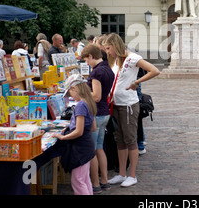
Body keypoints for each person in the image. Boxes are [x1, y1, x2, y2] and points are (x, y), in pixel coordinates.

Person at [102, 33, 160, 187]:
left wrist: (136, 82)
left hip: (128, 104)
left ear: (115, 45)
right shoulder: (116, 60)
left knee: (130, 140)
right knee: (119, 140)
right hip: (116, 104)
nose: (107, 51)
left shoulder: (133, 58)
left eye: (108, 48)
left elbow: (154, 71)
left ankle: (132, 175)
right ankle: (122, 173)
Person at [53, 74, 97, 195]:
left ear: (75, 88)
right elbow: (93, 127)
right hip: (87, 146)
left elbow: (79, 131)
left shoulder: (81, 105)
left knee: (77, 181)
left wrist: (63, 137)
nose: (70, 96)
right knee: (84, 179)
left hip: (80, 148)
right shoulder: (89, 102)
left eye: (70, 93)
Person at [80, 44, 114, 194]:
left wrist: (82, 95)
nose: (86, 63)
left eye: (86, 59)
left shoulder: (96, 72)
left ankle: (95, 184)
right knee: (100, 148)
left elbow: (97, 96)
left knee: (92, 150)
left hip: (96, 113)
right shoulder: (107, 69)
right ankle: (104, 181)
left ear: (91, 56)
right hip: (105, 113)